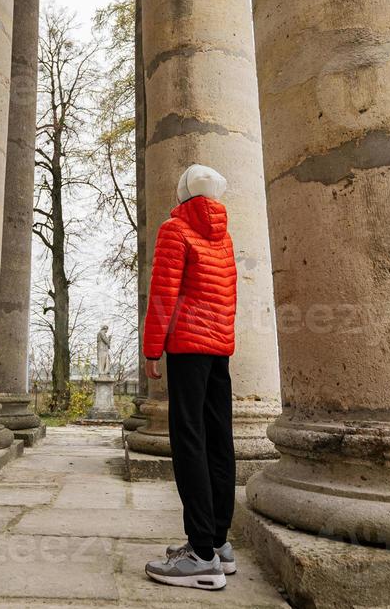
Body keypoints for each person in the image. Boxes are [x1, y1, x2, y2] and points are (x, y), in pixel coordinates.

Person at [142, 163, 238, 591]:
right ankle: (218, 543)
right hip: (219, 349)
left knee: (189, 442)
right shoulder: (224, 235)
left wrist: (151, 348)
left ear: (182, 192)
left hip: (187, 347)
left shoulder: (174, 228)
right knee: (220, 440)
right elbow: (229, 295)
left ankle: (199, 555)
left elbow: (163, 291)